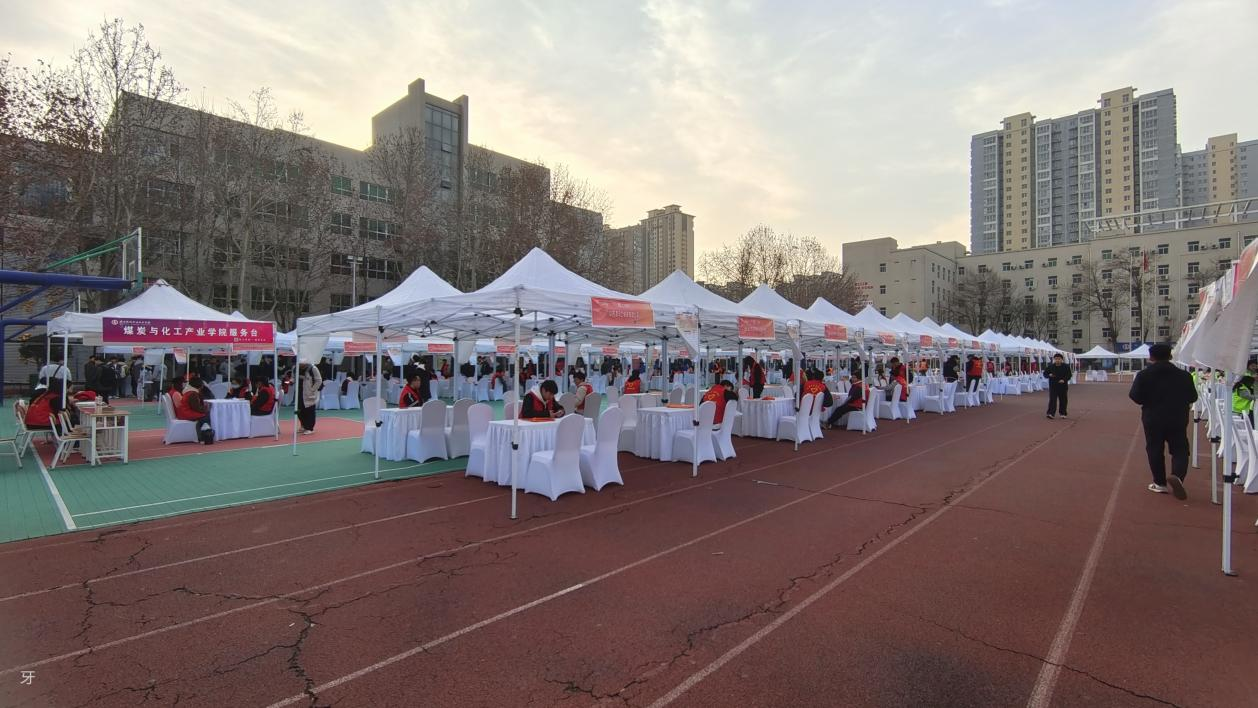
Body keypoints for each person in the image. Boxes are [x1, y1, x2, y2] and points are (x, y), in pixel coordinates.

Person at [1129, 343, 1197, 499]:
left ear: (1151, 357)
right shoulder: (1184, 375)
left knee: (1154, 448)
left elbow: (1135, 396)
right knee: (1180, 448)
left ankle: (1160, 483)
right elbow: (1193, 397)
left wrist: (1149, 400)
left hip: (1153, 417)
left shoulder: (1144, 375)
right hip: (1178, 417)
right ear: (1171, 356)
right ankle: (1177, 476)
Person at [175, 380, 214, 444]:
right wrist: (207, 408)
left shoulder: (188, 392)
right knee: (205, 416)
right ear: (200, 386)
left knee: (204, 416)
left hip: (183, 412)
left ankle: (203, 435)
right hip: (186, 413)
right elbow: (197, 408)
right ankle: (204, 435)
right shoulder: (193, 394)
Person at [1043, 353, 1072, 419]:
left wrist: (1064, 380)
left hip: (1063, 386)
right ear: (1054, 359)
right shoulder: (1050, 366)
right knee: (1052, 400)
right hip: (1053, 386)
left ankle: (1063, 413)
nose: (1057, 360)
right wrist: (1049, 375)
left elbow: (1069, 375)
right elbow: (1045, 374)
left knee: (1063, 400)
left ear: (1062, 359)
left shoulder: (1066, 366)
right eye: (1056, 359)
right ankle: (1051, 413)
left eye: (1059, 359)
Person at [297, 363, 323, 435]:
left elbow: (319, 380)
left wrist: (312, 389)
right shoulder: (296, 368)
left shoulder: (313, 368)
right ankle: (303, 425)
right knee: (299, 410)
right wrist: (292, 380)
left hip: (309, 393)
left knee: (310, 411)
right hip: (299, 392)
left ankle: (309, 428)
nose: (300, 363)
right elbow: (293, 377)